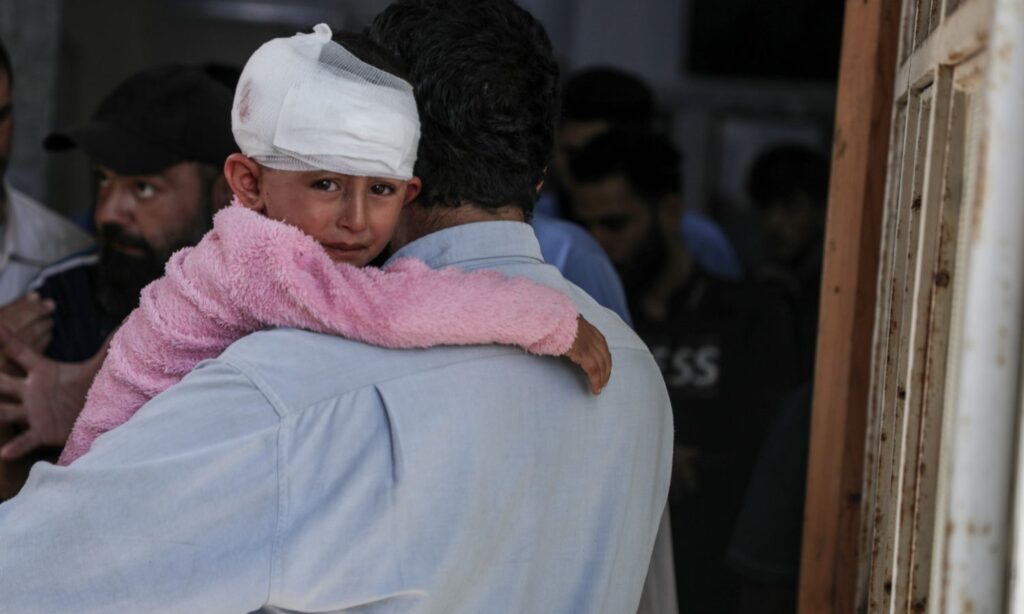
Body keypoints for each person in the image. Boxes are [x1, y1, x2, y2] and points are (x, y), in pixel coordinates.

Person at [0, 2, 673, 612]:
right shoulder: (634, 372)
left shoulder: (290, 388)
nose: (351, 216)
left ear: (399, 157)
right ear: (539, 173)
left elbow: (25, 575)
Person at [57, 25, 608, 465]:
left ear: (410, 192)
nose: (356, 219)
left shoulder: (289, 254)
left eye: (382, 190)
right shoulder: (258, 255)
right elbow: (389, 312)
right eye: (325, 184)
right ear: (247, 184)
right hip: (109, 473)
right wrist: (546, 318)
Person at [570, 128, 799, 613]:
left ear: (669, 211)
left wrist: (696, 462)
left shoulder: (749, 318)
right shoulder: (582, 325)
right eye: (586, 227)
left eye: (617, 224)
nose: (599, 244)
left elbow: (778, 454)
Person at [0, 65, 239, 479]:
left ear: (223, 189)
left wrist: (108, 407)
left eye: (144, 188)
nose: (107, 212)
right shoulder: (61, 297)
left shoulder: (263, 310)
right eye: (104, 181)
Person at [544, 65, 743, 281]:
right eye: (572, 153)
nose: (582, 167)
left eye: (605, 154)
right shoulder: (534, 227)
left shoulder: (699, 241)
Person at [747, 144, 830, 379]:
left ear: (822, 211)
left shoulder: (834, 294)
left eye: (791, 208)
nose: (773, 222)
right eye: (765, 208)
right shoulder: (758, 284)